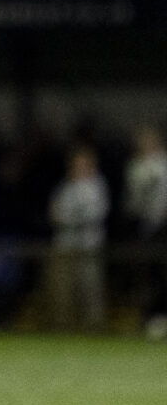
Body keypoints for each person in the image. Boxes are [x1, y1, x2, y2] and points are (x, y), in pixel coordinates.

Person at [46, 143, 111, 330]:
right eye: (76, 164)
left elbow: (96, 214)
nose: (78, 167)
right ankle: (63, 326)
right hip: (65, 244)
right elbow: (54, 212)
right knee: (63, 289)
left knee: (90, 288)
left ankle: (93, 327)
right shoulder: (65, 186)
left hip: (90, 244)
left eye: (83, 164)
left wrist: (71, 219)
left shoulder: (98, 186)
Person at [122, 124, 167, 338]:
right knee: (148, 276)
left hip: (163, 225)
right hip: (146, 227)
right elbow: (134, 201)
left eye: (150, 141)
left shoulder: (164, 163)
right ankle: (151, 318)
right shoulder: (136, 166)